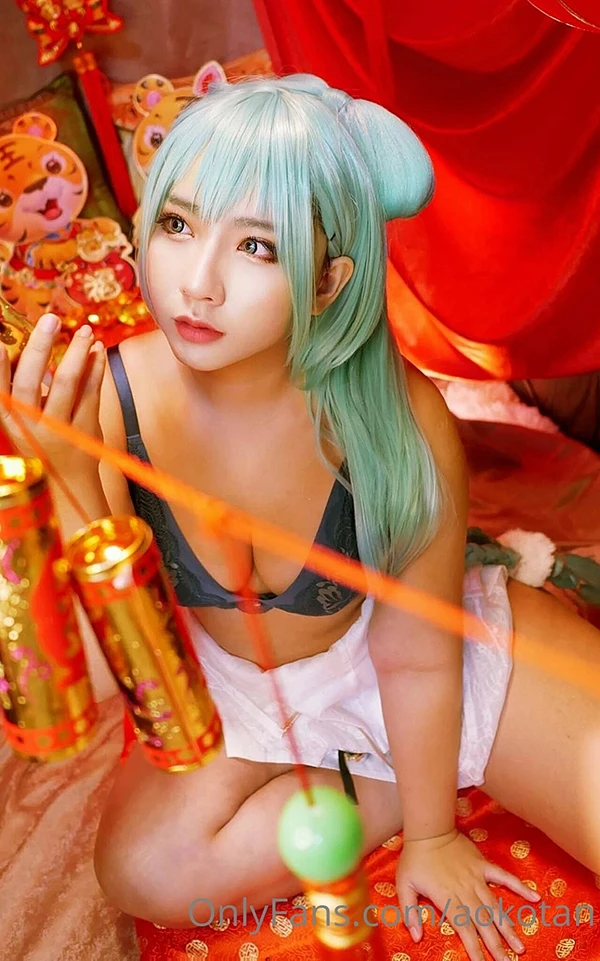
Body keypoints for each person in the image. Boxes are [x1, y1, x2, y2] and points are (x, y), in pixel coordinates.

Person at [1, 75, 599, 961]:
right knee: (142, 866)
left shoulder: (400, 418)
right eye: (178, 225)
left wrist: (432, 833)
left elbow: (416, 652)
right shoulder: (110, 403)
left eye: (256, 245)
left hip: (418, 649)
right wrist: (58, 487)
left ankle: (419, 759)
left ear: (328, 281)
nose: (198, 283)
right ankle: (378, 777)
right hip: (238, 690)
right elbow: (98, 681)